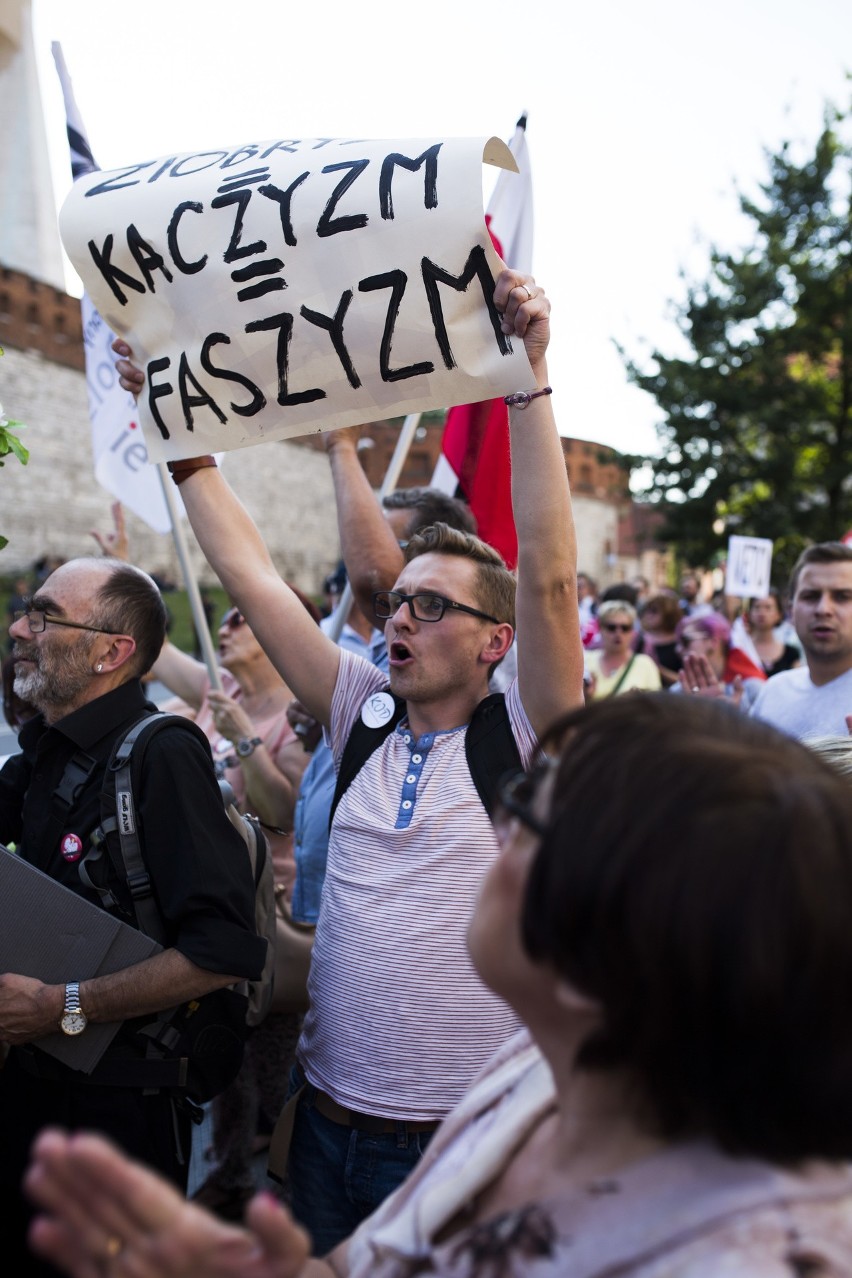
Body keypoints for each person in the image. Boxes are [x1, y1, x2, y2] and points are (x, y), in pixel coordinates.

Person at [25, 695, 852, 1278]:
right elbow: (361, 1264)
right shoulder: (529, 1076)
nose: (494, 824)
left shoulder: (756, 1249)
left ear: (633, 914)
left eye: (525, 807)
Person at [112, 269, 582, 1253]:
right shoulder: (362, 712)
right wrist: (185, 445)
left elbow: (545, 576)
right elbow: (250, 571)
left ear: (497, 641)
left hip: (464, 1146)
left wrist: (529, 379)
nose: (396, 616)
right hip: (320, 1122)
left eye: (429, 605)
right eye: (395, 599)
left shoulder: (528, 734)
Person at [0, 558, 267, 1275]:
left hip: (119, 1116)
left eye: (46, 616)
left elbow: (221, 952)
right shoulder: (42, 754)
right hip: (33, 1096)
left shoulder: (162, 756)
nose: (20, 628)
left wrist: (62, 1007)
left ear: (111, 652)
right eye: (28, 610)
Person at [749, 543, 852, 739]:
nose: (823, 609)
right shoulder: (773, 692)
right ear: (790, 610)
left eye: (842, 597)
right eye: (810, 596)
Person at [673, 610, 766, 708]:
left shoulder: (752, 687)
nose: (678, 649)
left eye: (685, 640)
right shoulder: (681, 689)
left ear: (713, 642)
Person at [583, 601, 661, 700]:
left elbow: (656, 705)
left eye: (625, 628)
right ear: (601, 629)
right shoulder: (585, 660)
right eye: (611, 627)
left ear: (632, 632)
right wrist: (585, 698)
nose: (618, 633)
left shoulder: (645, 664)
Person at [744, 589, 801, 676]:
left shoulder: (791, 653)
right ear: (750, 613)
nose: (762, 613)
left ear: (778, 614)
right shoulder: (741, 649)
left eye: (768, 607)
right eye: (757, 607)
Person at [636, 592, 683, 686]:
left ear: (669, 614)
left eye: (654, 611)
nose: (648, 615)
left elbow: (685, 681)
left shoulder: (680, 643)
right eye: (647, 610)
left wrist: (658, 669)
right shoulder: (639, 639)